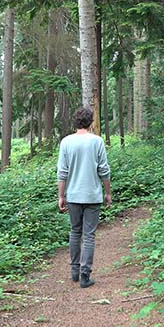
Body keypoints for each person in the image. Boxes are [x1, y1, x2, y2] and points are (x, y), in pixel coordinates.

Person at [57, 107, 111, 288]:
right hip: (92, 196)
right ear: (90, 122)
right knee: (88, 236)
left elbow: (62, 172)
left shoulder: (66, 142)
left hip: (73, 195)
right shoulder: (97, 142)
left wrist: (61, 196)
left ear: (75, 122)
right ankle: (85, 275)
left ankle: (74, 272)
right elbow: (104, 170)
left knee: (75, 232)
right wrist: (108, 192)